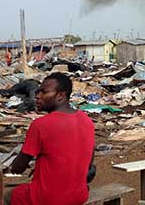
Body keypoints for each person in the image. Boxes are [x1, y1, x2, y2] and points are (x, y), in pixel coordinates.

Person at [8, 73, 95, 205]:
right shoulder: (86, 120)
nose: (37, 96)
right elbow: (88, 162)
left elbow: (18, 168)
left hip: (48, 199)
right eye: (38, 91)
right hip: (79, 195)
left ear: (60, 95)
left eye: (44, 92)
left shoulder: (40, 125)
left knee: (4, 196)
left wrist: (13, 166)